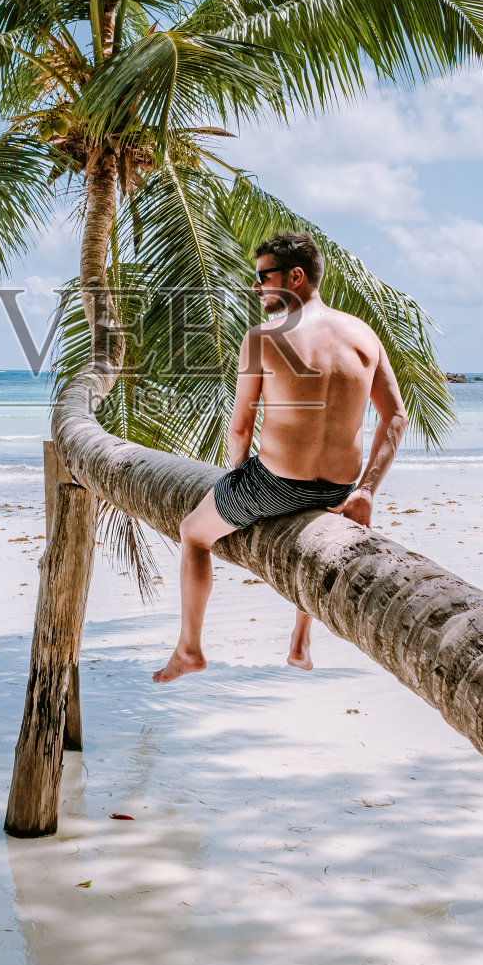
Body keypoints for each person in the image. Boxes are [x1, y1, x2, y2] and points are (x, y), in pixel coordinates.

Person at [153, 231, 408, 684]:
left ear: (295, 276)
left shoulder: (264, 337)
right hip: (339, 489)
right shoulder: (362, 334)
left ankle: (189, 649)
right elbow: (395, 417)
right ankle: (299, 640)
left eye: (263, 277)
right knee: (312, 524)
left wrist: (235, 475)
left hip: (274, 484)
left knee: (193, 532)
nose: (257, 287)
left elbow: (240, 427)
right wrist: (365, 491)